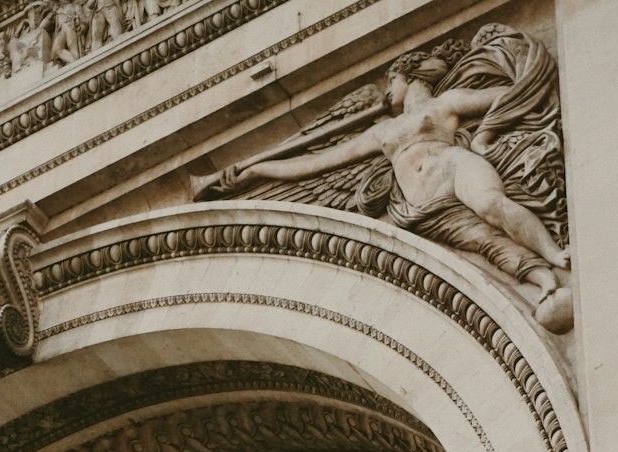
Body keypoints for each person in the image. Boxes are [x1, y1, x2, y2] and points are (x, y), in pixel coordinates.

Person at [193, 42, 572, 332]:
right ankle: (543, 281)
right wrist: (257, 170)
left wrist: (486, 134)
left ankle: (552, 255)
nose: (388, 91)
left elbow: (511, 94)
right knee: (485, 242)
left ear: (410, 78)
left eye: (392, 81)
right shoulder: (381, 131)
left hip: (455, 166)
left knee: (492, 205)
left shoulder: (444, 105)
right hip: (420, 205)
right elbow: (313, 163)